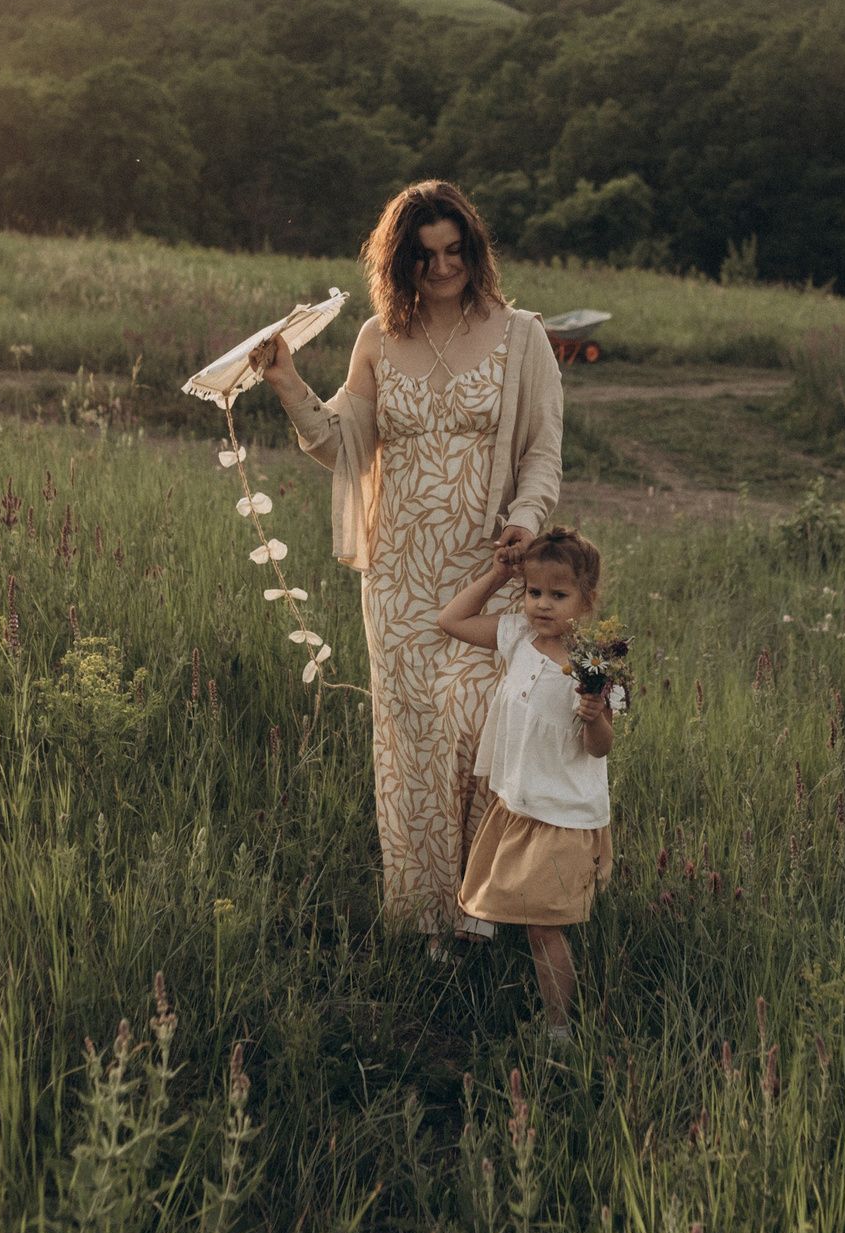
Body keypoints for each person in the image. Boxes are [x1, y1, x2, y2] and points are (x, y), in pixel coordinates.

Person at [249, 181, 564, 955]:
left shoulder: (522, 337)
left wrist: (525, 523)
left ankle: (485, 908)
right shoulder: (377, 339)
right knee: (414, 743)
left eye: (456, 250)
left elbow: (543, 455)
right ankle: (427, 922)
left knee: (483, 728)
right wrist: (286, 378)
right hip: (397, 577)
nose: (444, 266)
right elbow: (338, 443)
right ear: (400, 262)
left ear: (475, 249)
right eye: (424, 256)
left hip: (484, 572)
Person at [437, 528, 615, 1045]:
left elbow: (601, 748)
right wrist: (500, 572)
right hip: (519, 805)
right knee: (528, 918)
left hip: (563, 815)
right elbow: (450, 620)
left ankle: (559, 1029)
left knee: (543, 926)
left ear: (586, 600)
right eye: (533, 591)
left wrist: (594, 713)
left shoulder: (593, 664)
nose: (542, 605)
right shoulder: (516, 635)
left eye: (558, 595)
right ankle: (523, 992)